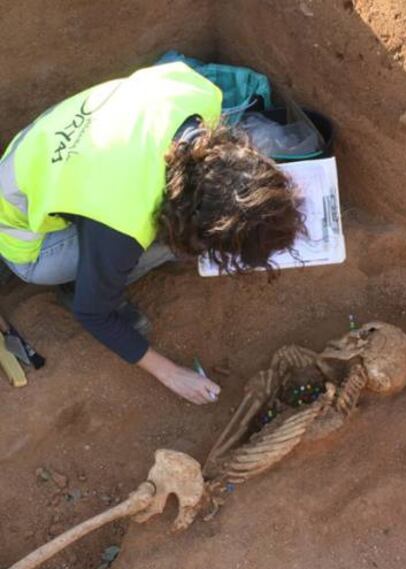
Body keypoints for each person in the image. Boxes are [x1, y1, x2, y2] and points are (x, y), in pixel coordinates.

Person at [0, 61, 303, 405]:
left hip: (37, 149)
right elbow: (92, 313)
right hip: (21, 233)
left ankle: (94, 262)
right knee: (172, 244)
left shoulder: (199, 95)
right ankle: (76, 282)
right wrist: (171, 373)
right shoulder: (123, 219)